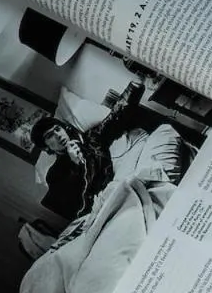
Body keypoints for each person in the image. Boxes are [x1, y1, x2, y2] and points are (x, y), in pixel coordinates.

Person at [29, 80, 145, 220]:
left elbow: (116, 116)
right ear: (47, 147)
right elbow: (72, 206)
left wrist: (135, 86)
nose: (58, 136)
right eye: (50, 136)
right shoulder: (55, 175)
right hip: (96, 213)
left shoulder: (92, 140)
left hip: (116, 192)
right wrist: (76, 165)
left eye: (57, 129)